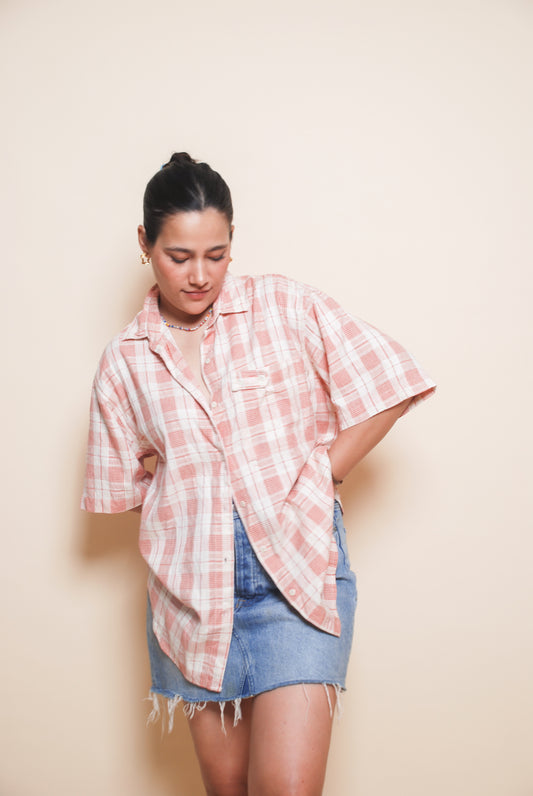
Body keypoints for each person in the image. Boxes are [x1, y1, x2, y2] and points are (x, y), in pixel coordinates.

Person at [82, 152, 435, 795]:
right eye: (179, 256)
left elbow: (392, 381)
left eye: (216, 255)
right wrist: (195, 511)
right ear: (145, 244)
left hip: (297, 575)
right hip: (193, 596)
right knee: (227, 789)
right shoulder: (123, 362)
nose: (199, 275)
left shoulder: (282, 306)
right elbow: (125, 487)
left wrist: (319, 475)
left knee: (288, 789)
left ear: (232, 242)